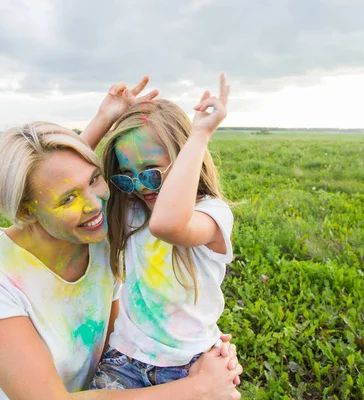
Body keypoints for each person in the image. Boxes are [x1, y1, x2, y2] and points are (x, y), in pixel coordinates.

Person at [0, 77, 243, 399]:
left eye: (96, 179)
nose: (95, 204)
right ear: (26, 211)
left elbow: (54, 173)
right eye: (68, 199)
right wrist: (200, 387)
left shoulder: (100, 235)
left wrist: (196, 337)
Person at [88, 74, 237, 389]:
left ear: (183, 157)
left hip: (192, 364)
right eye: (126, 176)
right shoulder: (130, 209)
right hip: (124, 360)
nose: (139, 185)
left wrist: (198, 136)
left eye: (152, 172)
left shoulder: (211, 214)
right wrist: (104, 119)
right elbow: (63, 179)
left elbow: (168, 225)